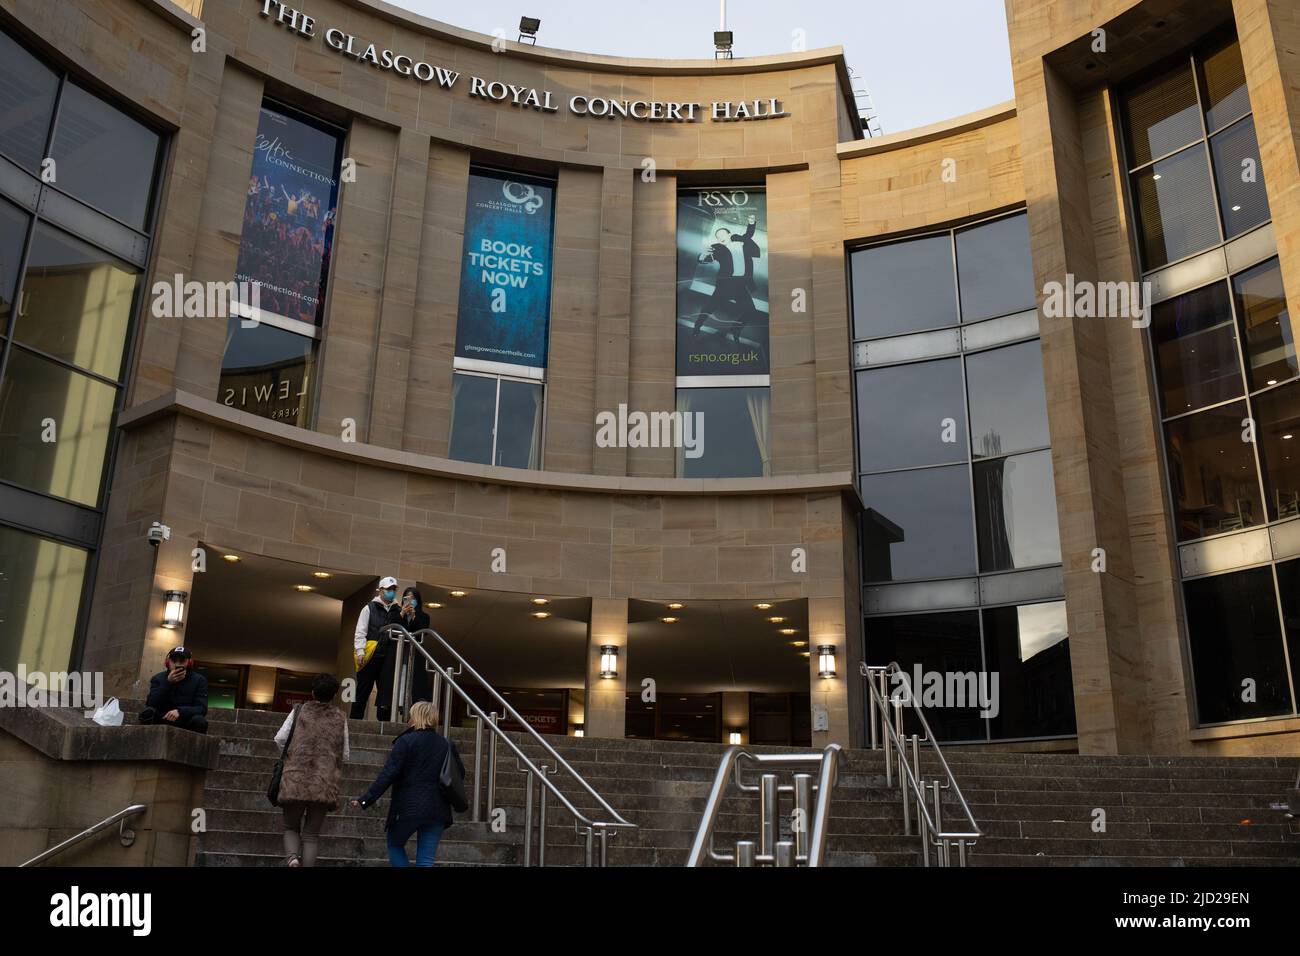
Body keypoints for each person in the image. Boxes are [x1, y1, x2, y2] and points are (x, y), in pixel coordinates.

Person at [352, 700, 463, 867]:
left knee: (395, 845)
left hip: (408, 808)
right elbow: (459, 774)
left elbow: (388, 774)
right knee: (426, 860)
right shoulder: (446, 744)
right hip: (437, 809)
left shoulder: (406, 741)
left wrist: (366, 799)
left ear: (415, 717)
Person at [275, 673, 349, 867]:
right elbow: (346, 753)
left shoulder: (299, 711)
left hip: (295, 778)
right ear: (334, 695)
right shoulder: (340, 718)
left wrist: (292, 755)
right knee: (311, 835)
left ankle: (292, 859)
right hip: (323, 782)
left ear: (312, 692)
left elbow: (280, 738)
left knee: (291, 826)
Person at [693, 213, 762, 343]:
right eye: (718, 237)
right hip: (725, 285)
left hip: (740, 285)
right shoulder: (718, 248)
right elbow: (704, 259)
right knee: (709, 308)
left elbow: (748, 235)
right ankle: (697, 326)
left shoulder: (741, 243)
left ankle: (736, 329)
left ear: (729, 235)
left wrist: (751, 222)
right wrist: (703, 255)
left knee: (750, 311)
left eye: (722, 235)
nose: (720, 238)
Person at [351, 576, 405, 721]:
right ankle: (355, 721)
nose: (391, 592)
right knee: (362, 691)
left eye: (394, 589)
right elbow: (360, 632)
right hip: (371, 655)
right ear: (380, 590)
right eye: (388, 589)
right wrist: (360, 651)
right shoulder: (369, 608)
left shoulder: (397, 609)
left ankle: (384, 725)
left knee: (385, 696)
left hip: (388, 658)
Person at [139, 646, 208, 734]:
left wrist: (180, 711)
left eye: (182, 661)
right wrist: (168, 683)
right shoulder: (158, 678)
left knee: (199, 721)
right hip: (163, 717)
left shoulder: (199, 680)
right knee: (147, 713)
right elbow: (151, 703)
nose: (177, 664)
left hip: (185, 719)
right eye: (174, 661)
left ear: (189, 663)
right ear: (168, 662)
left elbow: (201, 708)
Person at [399, 586, 433, 706]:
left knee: (416, 682)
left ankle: (414, 707)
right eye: (407, 598)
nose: (410, 601)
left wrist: (414, 617)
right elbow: (394, 625)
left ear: (417, 600)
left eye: (413, 598)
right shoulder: (398, 613)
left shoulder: (424, 617)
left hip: (416, 654)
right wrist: (402, 613)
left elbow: (422, 633)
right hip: (400, 653)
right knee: (400, 679)